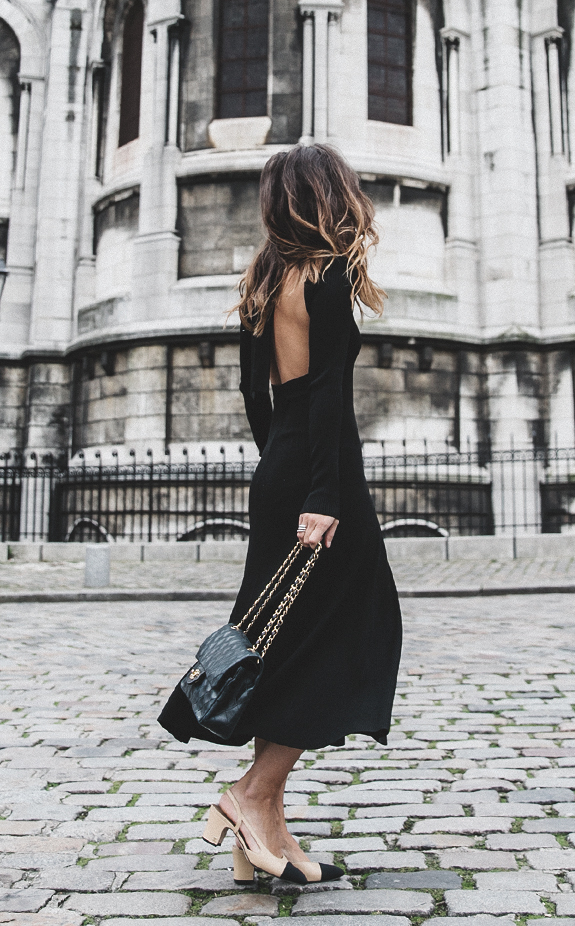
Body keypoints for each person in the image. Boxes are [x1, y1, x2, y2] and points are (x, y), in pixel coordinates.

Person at [158, 142, 402, 885]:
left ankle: (262, 833)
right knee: (357, 630)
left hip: (284, 464)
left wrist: (282, 471)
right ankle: (249, 795)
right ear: (328, 196)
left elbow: (256, 394)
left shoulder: (266, 279)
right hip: (322, 478)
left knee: (284, 640)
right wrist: (322, 496)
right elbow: (328, 391)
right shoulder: (326, 281)